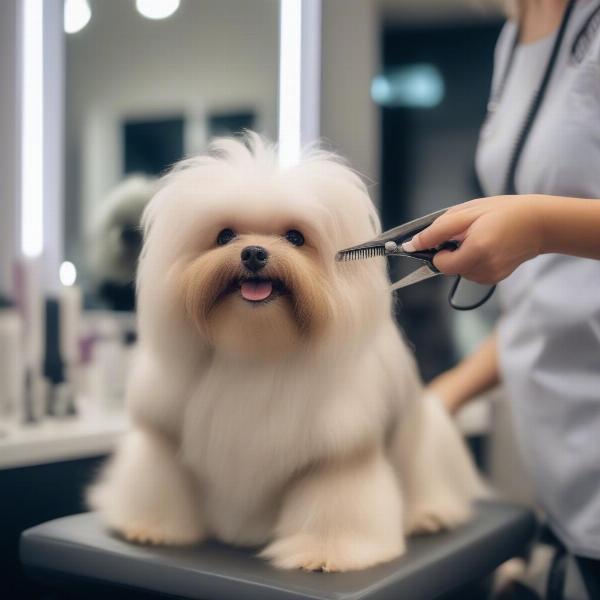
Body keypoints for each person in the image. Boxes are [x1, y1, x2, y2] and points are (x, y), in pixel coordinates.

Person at [403, 0, 600, 597]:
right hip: (568, 477)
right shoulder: (512, 37)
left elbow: (550, 245)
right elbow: (547, 294)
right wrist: (444, 397)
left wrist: (539, 225)